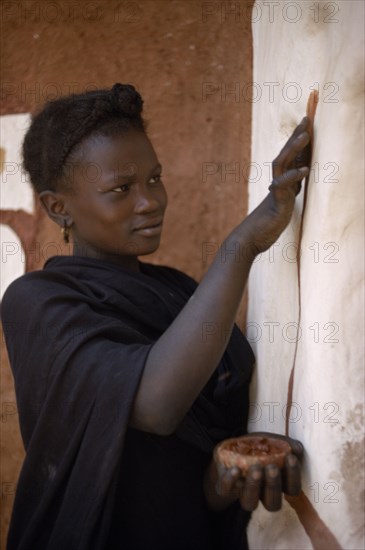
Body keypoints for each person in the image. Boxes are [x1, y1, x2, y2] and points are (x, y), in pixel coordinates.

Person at [1, 83, 310, 550]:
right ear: (58, 208)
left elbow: (176, 475)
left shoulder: (180, 292)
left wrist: (226, 471)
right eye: (121, 189)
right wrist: (240, 245)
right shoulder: (37, 302)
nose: (150, 201)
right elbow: (154, 406)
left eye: (154, 178)